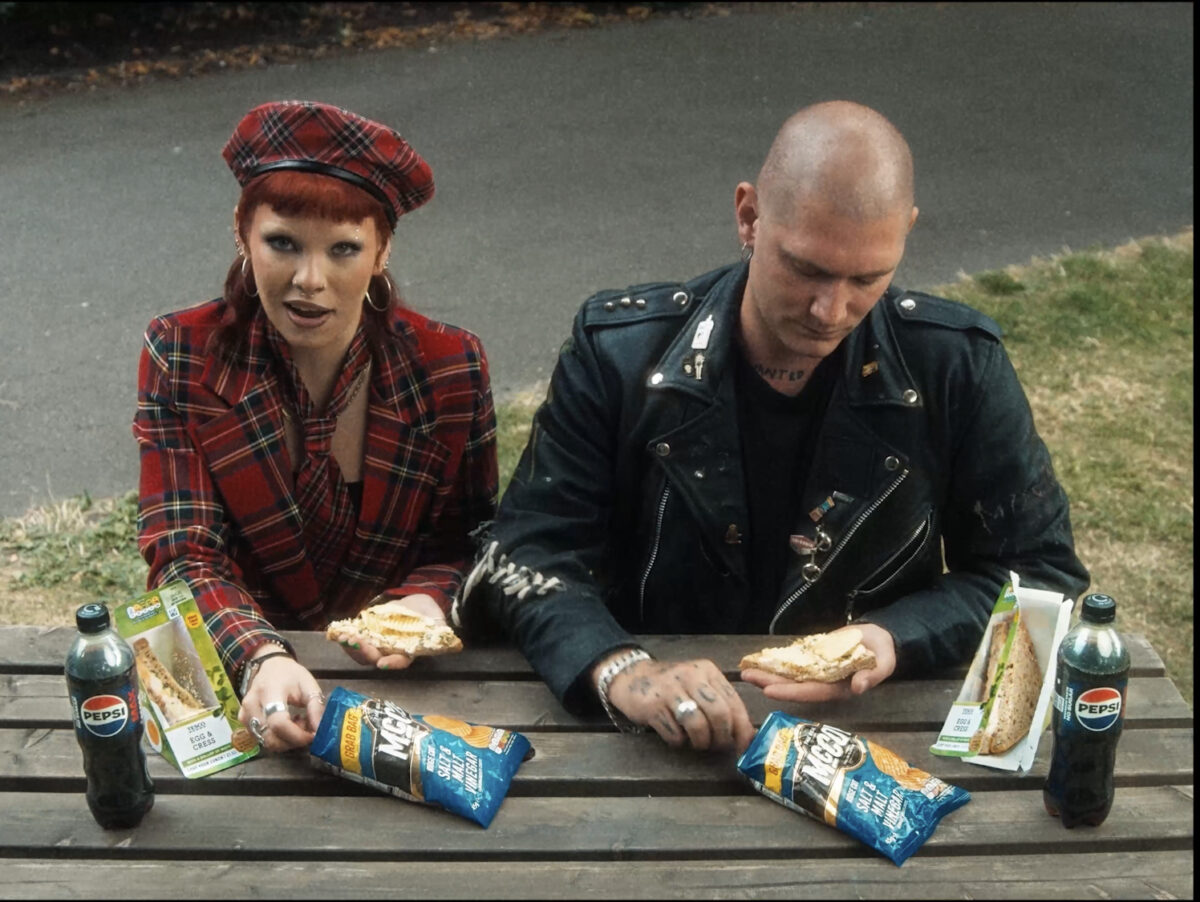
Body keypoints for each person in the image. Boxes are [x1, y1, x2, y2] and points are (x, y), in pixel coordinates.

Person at [452, 100, 1088, 753]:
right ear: (749, 216)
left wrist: (893, 638)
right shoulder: (620, 354)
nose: (830, 310)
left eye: (868, 278)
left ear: (907, 232)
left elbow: (1041, 576)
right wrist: (621, 669)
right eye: (806, 269)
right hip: (651, 739)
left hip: (870, 732)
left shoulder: (954, 367)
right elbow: (526, 550)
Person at [133, 100, 498, 753]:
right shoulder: (181, 354)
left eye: (344, 249)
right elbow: (183, 553)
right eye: (283, 243)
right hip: (236, 668)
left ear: (382, 250)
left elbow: (469, 541)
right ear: (242, 234)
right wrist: (261, 655)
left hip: (398, 690)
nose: (310, 280)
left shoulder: (451, 366)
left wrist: (425, 604)